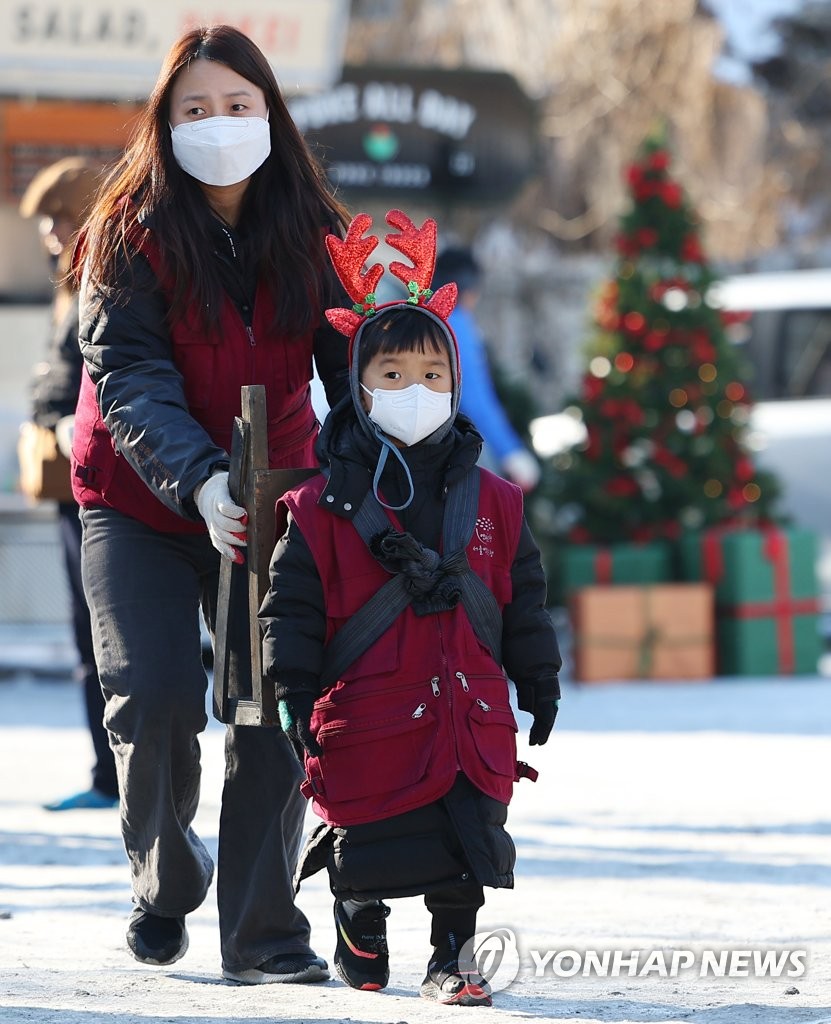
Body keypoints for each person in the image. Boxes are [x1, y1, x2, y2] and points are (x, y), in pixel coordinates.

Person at [71, 24, 350, 982]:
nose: (219, 124)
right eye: (195, 109)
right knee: (152, 701)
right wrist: (197, 478)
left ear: (270, 112)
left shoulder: (313, 230)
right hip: (139, 500)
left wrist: (373, 460)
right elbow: (130, 374)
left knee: (272, 708)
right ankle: (165, 876)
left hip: (277, 498)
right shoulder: (126, 232)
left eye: (238, 105)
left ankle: (266, 936)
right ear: (164, 124)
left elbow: (351, 365)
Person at [258, 210, 562, 1006]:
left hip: (467, 708)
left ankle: (452, 956)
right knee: (369, 844)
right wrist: (289, 687)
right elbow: (287, 607)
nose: (414, 393)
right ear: (357, 387)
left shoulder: (494, 501)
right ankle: (359, 924)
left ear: (455, 384)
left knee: (466, 841)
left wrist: (540, 678)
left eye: (432, 377)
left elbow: (521, 599)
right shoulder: (317, 507)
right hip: (369, 713)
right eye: (391, 377)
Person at [19, 157, 119, 812]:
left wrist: (60, 422)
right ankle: (105, 773)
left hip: (97, 481)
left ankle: (113, 778)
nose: (51, 233)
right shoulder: (72, 283)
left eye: (60, 216)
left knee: (103, 636)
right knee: (88, 634)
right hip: (66, 479)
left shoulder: (110, 283)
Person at [433, 247, 541, 492]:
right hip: (457, 448)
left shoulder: (419, 319)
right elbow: (473, 396)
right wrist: (511, 451)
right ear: (469, 290)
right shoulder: (457, 324)